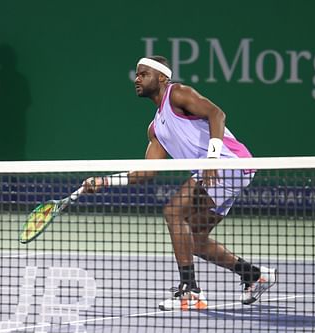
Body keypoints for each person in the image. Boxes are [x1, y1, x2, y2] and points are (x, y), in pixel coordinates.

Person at [83, 56, 277, 311]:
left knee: (173, 212)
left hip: (229, 164)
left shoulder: (178, 93)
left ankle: (190, 291)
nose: (137, 79)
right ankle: (253, 275)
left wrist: (211, 160)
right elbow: (147, 172)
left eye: (144, 74)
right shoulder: (155, 128)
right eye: (137, 74)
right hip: (216, 172)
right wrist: (104, 181)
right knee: (193, 240)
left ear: (162, 77)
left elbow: (216, 113)